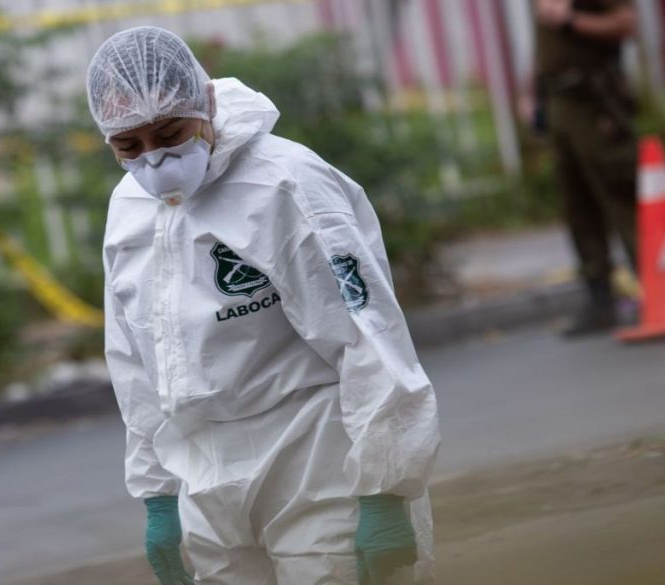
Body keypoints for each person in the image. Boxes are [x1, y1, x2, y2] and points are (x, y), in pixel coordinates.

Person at [88, 27, 440, 584]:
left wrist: (385, 488)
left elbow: (366, 335)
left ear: (204, 103)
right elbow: (135, 362)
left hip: (316, 456)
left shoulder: (282, 182)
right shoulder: (130, 210)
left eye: (171, 133)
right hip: (204, 471)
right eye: (129, 147)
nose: (155, 161)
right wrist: (158, 496)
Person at [533, 0, 639, 337]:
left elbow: (625, 23)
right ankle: (601, 300)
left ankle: (659, 285)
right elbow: (545, 44)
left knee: (621, 193)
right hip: (558, 99)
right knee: (577, 205)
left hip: (593, 99)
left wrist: (571, 20)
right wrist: (532, 92)